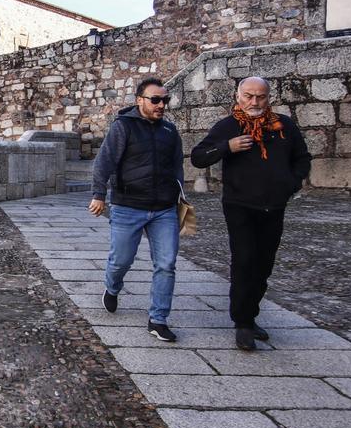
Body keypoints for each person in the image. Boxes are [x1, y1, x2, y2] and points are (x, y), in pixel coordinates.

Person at [190, 76, 312, 351]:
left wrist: (291, 184)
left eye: (260, 97)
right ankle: (242, 323)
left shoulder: (284, 126)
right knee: (244, 261)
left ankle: (251, 315)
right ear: (238, 96)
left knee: (264, 265)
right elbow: (199, 156)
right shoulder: (228, 126)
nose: (254, 102)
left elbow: (302, 158)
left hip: (274, 205)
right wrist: (227, 147)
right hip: (240, 205)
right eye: (248, 96)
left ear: (269, 97)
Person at [90, 77, 185, 342]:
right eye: (155, 99)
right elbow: (104, 162)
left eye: (165, 100)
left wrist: (180, 197)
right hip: (127, 206)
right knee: (121, 261)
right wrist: (99, 195)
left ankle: (158, 319)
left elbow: (177, 166)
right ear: (139, 101)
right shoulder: (123, 127)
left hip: (164, 209)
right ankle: (112, 287)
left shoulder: (169, 131)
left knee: (166, 264)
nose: (161, 105)